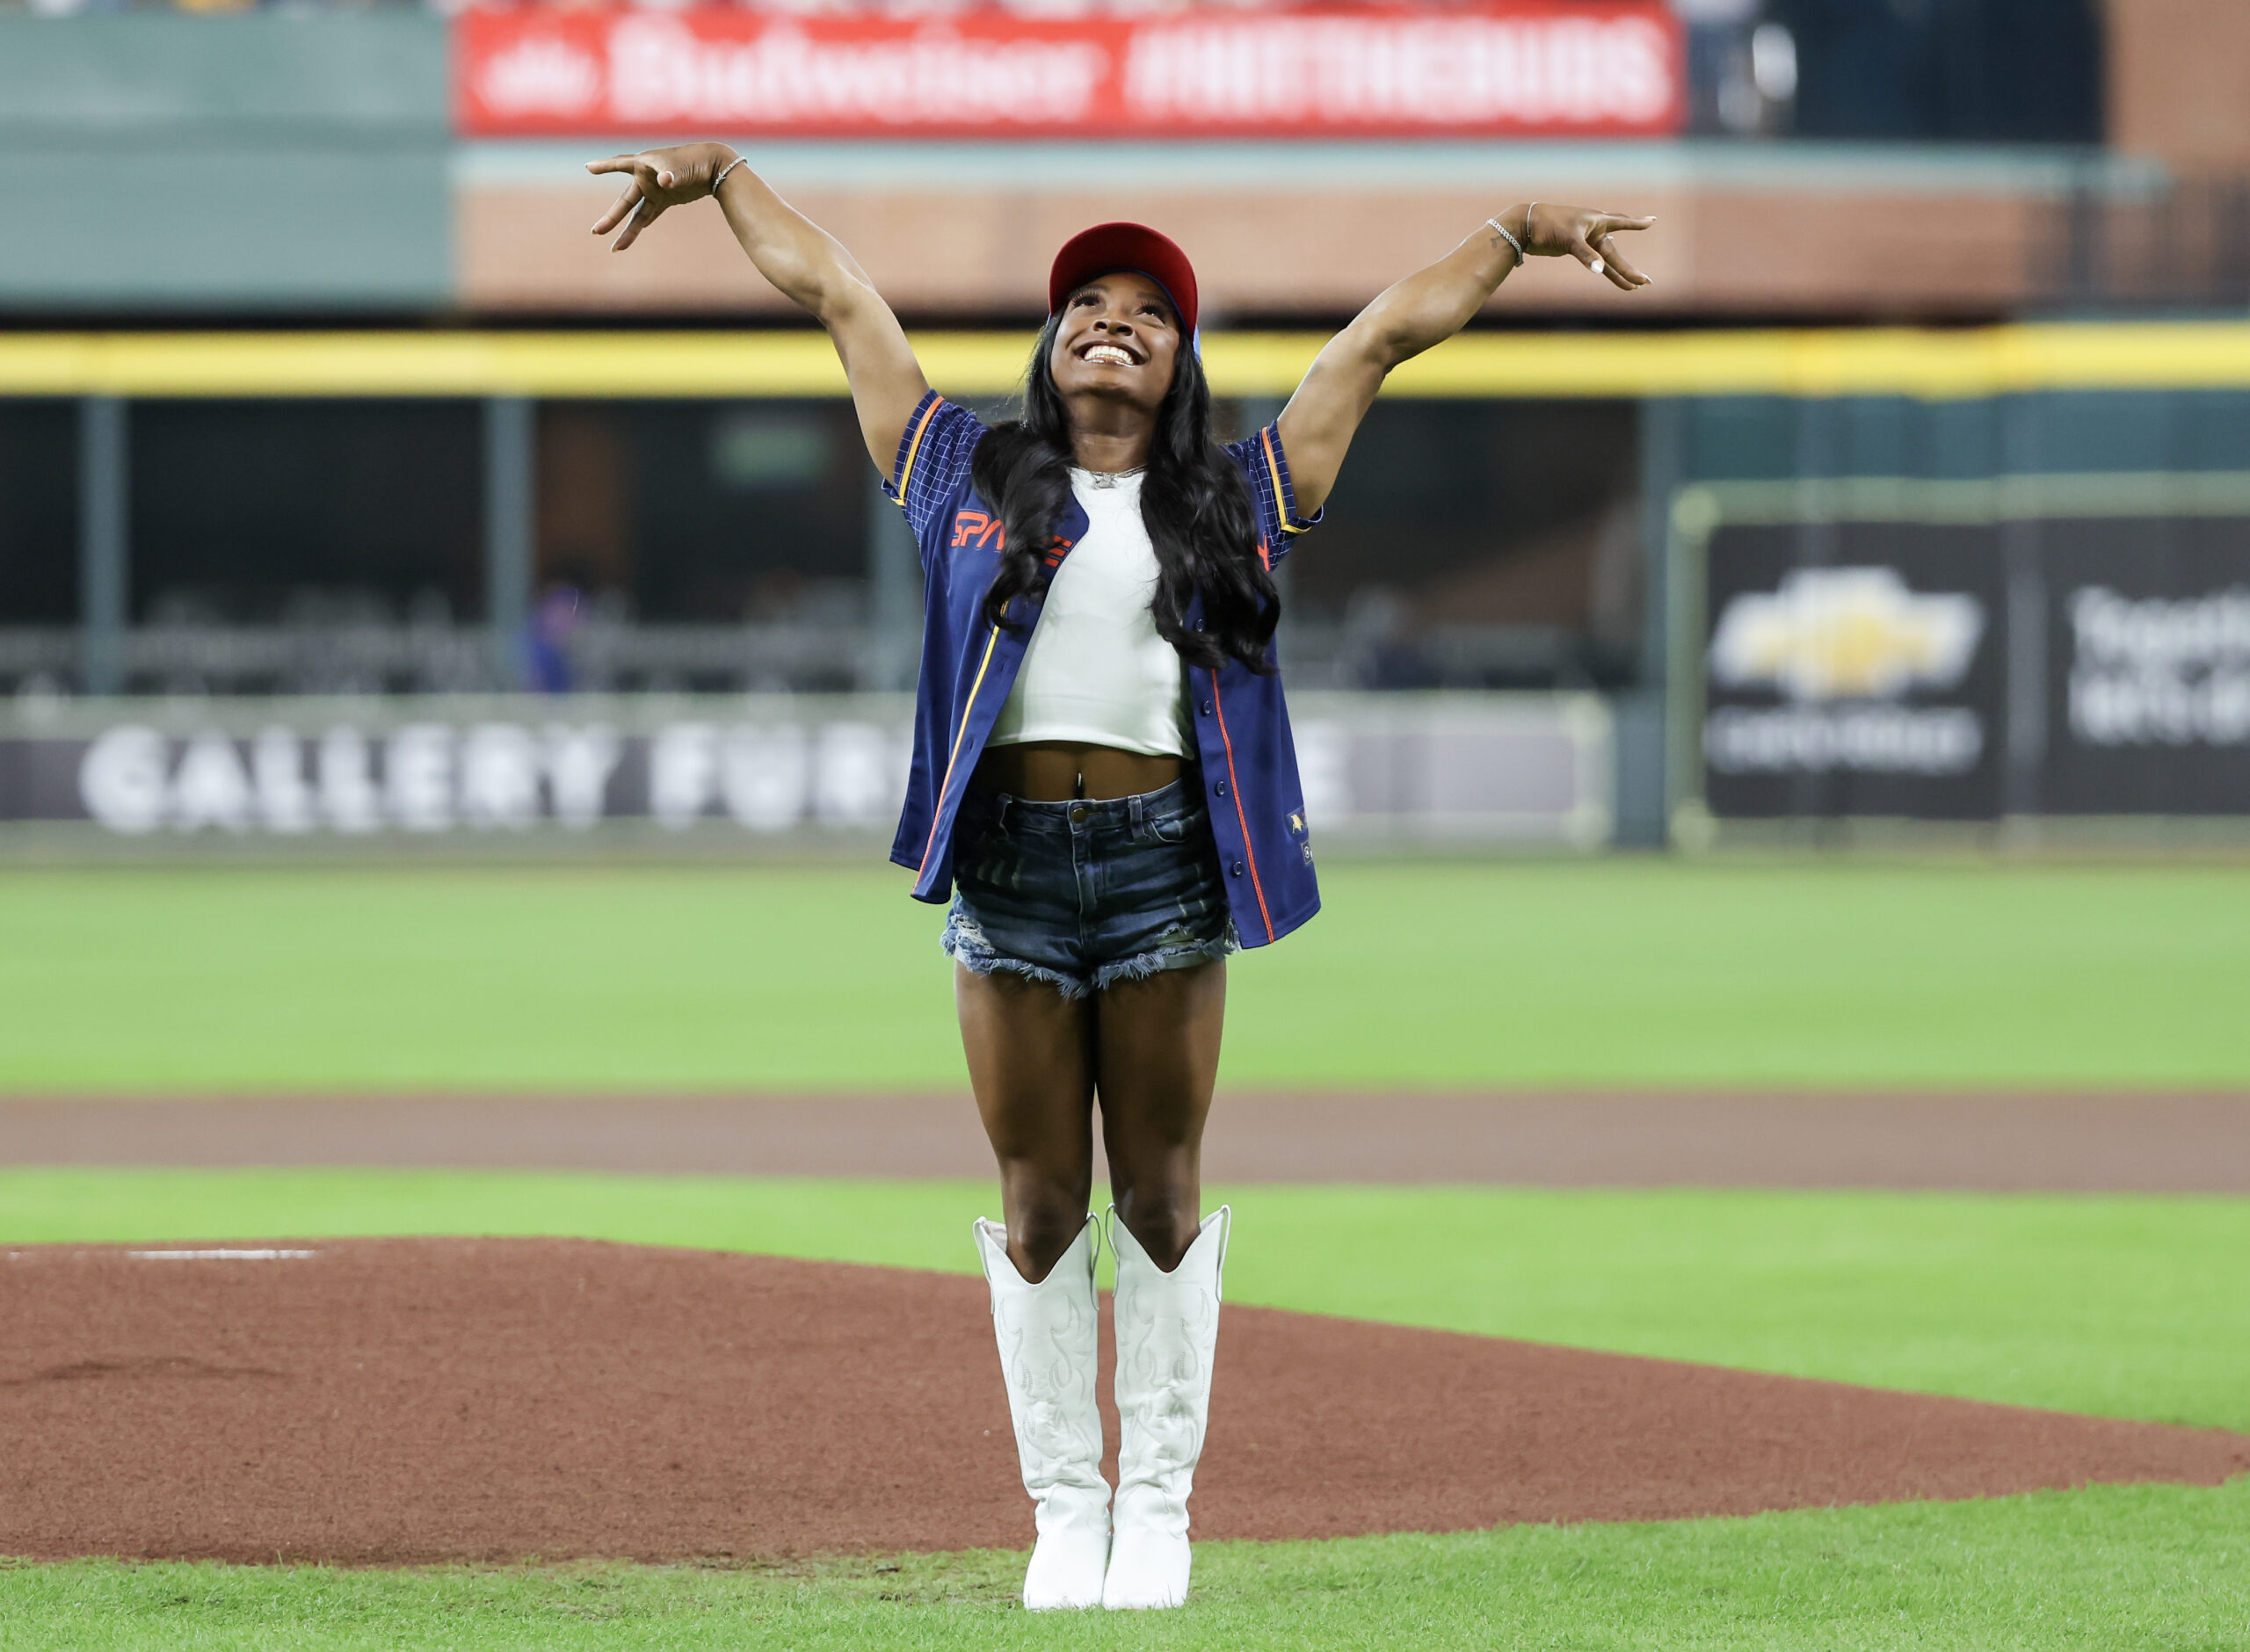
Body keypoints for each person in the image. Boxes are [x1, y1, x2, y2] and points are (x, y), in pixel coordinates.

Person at [587, 144, 1651, 1611]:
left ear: (1182, 362)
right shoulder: (959, 468)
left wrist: (1519, 232)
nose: (1114, 318)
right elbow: (834, 290)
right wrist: (721, 179)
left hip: (1164, 875)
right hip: (1010, 879)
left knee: (1157, 1196)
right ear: (1048, 341)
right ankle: (1061, 1515)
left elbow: (1382, 337)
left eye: (1149, 311)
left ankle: (1158, 1512)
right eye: (1087, 299)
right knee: (1036, 1209)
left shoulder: (1241, 492)